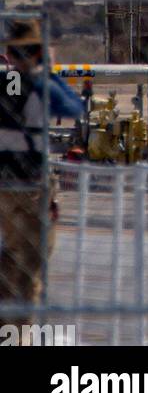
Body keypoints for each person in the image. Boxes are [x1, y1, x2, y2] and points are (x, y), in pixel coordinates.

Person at [0, 17, 84, 336]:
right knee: (33, 261)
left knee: (12, 251)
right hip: (31, 184)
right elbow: (73, 107)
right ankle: (19, 334)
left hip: (4, 183)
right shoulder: (39, 84)